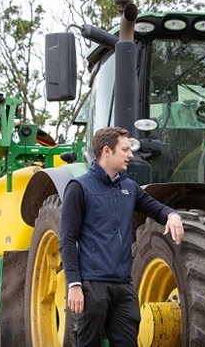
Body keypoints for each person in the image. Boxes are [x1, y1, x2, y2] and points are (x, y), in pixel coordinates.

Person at [60, 126, 184, 346]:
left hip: (124, 286)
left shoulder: (129, 187)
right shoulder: (79, 188)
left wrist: (172, 215)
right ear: (107, 151)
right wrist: (74, 285)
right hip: (92, 285)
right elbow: (67, 240)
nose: (131, 155)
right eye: (125, 150)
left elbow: (156, 208)